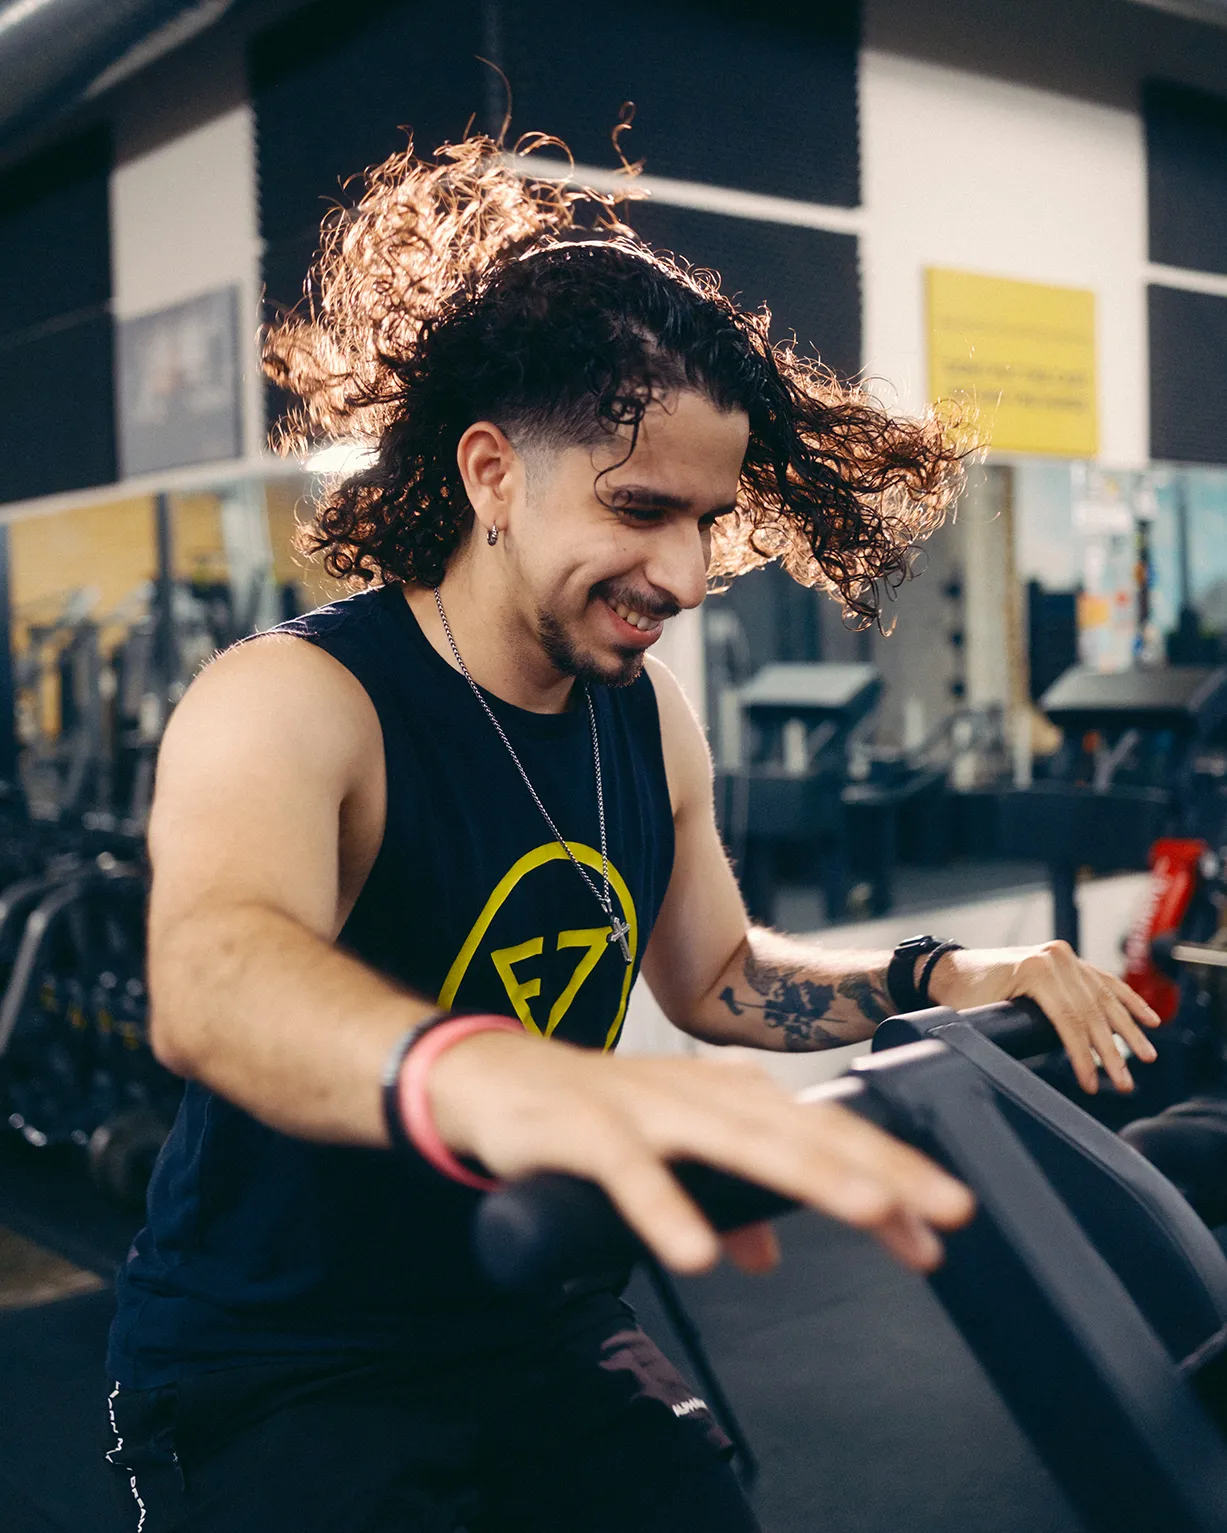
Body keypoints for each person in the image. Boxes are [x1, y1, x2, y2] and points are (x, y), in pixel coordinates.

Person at [103, 134, 1160, 1533]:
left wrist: (945, 977)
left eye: (707, 523)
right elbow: (217, 976)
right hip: (288, 1362)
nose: (681, 572)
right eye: (638, 508)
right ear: (491, 473)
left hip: (533, 1311)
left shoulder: (643, 715)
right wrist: (495, 1085)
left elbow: (715, 976)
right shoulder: (300, 701)